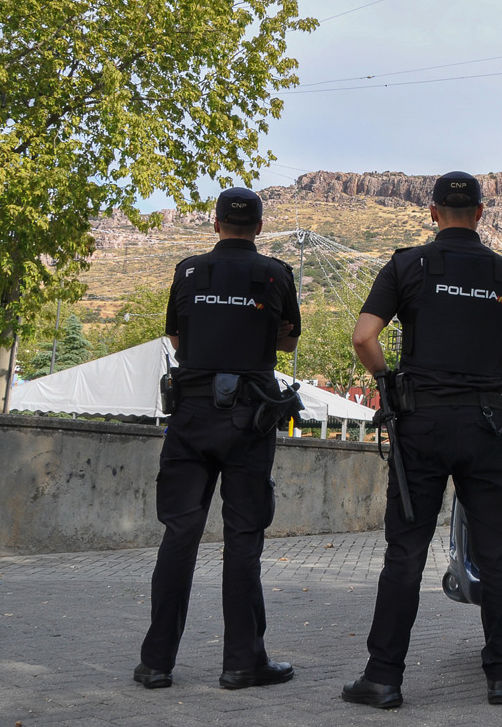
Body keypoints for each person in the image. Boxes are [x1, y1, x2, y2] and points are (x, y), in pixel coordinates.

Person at [342, 171, 502, 710]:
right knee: (499, 553)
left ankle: (383, 678)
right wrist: (488, 383)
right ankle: (501, 677)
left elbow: (364, 337)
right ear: (481, 214)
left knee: (405, 553)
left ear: (433, 213)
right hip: (483, 427)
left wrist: (388, 382)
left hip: (421, 424)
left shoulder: (408, 264)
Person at [135, 187, 302, 691]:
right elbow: (290, 338)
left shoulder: (188, 270)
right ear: (257, 226)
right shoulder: (275, 273)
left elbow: (178, 339)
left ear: (215, 226)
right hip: (249, 419)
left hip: (190, 417)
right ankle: (241, 663)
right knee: (243, 539)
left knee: (179, 536)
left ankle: (156, 664)